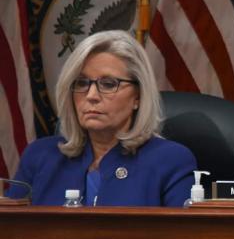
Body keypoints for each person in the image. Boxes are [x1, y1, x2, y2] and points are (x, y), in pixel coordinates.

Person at [7, 30, 196, 206]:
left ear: (138, 97)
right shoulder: (40, 156)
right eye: (81, 83)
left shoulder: (169, 160)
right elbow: (9, 230)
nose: (91, 95)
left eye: (108, 84)